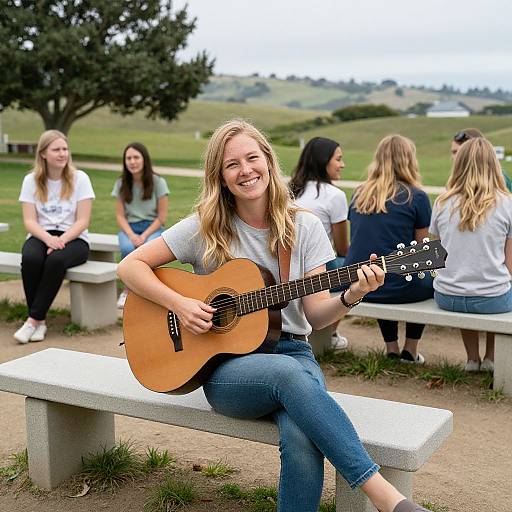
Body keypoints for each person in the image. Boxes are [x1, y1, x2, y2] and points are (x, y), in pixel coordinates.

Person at [118, 119, 431, 512]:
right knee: (290, 377)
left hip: (293, 352)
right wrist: (180, 304)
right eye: (233, 164)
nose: (246, 170)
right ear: (220, 176)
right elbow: (130, 267)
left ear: (268, 160)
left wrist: (353, 294)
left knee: (300, 430)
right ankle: (386, 498)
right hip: (226, 368)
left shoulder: (305, 226)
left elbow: (316, 316)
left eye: (253, 158)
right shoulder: (205, 226)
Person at [344, 135, 433, 363]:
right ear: (409, 160)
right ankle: (410, 350)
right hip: (399, 288)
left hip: (360, 283)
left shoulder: (360, 193)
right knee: (420, 275)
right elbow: (421, 255)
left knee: (380, 267)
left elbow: (364, 243)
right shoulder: (417, 197)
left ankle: (391, 348)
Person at [430, 137, 512, 372]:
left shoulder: (442, 202)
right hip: (493, 299)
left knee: (466, 280)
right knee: (498, 285)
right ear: (493, 164)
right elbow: (509, 267)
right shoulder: (507, 203)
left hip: (447, 296)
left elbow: (437, 254)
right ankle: (491, 358)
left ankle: (472, 359)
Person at [14, 130, 95, 343]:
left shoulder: (80, 178)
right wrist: (49, 239)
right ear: (43, 154)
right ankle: (39, 322)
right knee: (31, 258)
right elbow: (30, 221)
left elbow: (82, 221)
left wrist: (61, 240)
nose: (62, 154)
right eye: (56, 149)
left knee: (56, 260)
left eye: (65, 149)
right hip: (42, 235)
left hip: (75, 239)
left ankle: (33, 320)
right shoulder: (30, 181)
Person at [289, 137, 349, 350]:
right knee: (354, 269)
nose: (342, 165)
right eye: (338, 159)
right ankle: (330, 334)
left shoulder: (289, 190)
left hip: (289, 265)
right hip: (316, 266)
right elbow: (342, 249)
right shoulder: (335, 196)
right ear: (324, 161)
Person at [112, 142, 169, 308]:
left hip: (152, 227)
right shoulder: (121, 184)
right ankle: (128, 290)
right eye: (128, 158)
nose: (132, 161)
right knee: (128, 248)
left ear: (144, 159)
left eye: (136, 157)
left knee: (150, 248)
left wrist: (144, 236)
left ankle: (150, 291)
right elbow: (120, 216)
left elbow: (162, 217)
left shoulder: (158, 182)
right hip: (130, 227)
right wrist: (131, 234)